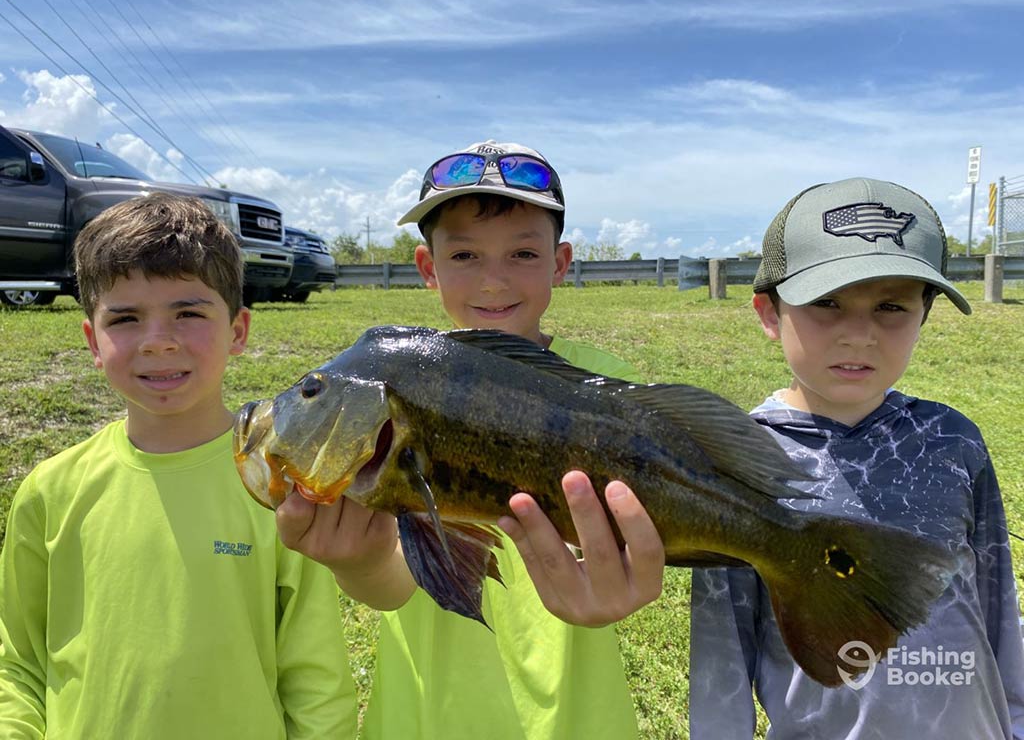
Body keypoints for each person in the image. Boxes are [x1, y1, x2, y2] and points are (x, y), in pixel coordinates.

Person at [276, 140, 666, 739]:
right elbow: (392, 581)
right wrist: (356, 560)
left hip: (576, 719)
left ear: (560, 263)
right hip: (427, 716)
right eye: (463, 254)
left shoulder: (609, 389)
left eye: (522, 253)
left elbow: (633, 551)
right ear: (427, 267)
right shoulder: (380, 395)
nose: (493, 280)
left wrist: (626, 589)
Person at [0, 194, 358, 738]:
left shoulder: (287, 491)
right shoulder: (50, 491)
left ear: (238, 330)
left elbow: (317, 684)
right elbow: (16, 663)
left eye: (188, 313)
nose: (159, 342)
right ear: (92, 341)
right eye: (125, 318)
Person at [689, 177, 1024, 739]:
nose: (860, 333)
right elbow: (722, 645)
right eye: (826, 303)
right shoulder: (737, 457)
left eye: (891, 305)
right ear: (769, 313)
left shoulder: (953, 439)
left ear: (924, 315)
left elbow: (995, 597)